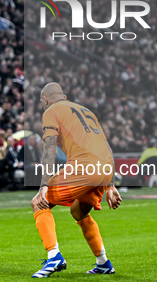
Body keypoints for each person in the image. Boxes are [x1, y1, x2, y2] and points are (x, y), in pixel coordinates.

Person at [31, 83, 122, 278]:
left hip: (84, 167)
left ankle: (54, 256)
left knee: (38, 204)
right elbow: (107, 147)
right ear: (63, 96)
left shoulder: (51, 111)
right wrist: (111, 184)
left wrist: (44, 185)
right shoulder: (86, 111)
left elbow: (49, 148)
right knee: (78, 210)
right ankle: (103, 262)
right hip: (104, 168)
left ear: (45, 100)